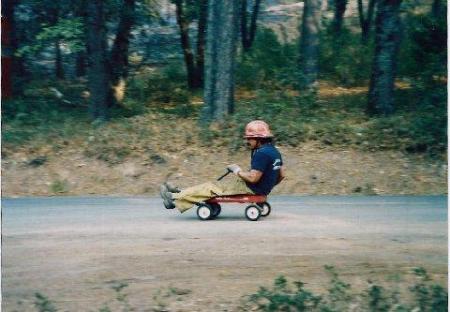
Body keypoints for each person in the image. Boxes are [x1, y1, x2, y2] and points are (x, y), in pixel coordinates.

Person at [160, 120, 285, 213]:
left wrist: (237, 170)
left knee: (210, 188)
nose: (247, 141)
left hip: (250, 187)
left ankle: (174, 198)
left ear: (258, 139)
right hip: (256, 188)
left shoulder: (261, 154)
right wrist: (267, 186)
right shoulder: (274, 152)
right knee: (212, 186)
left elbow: (253, 178)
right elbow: (282, 175)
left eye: (250, 138)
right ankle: (181, 193)